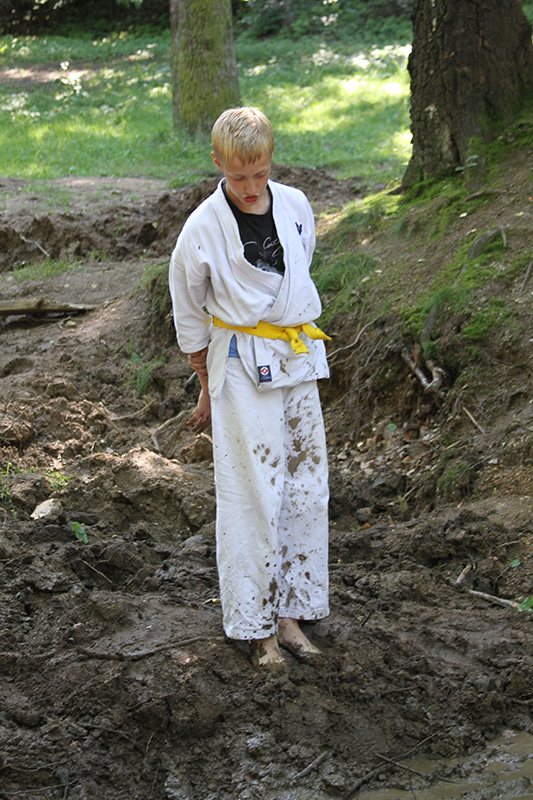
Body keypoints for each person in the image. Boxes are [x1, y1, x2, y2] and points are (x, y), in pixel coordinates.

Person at [169, 106, 330, 670]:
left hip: (296, 354)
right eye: (239, 176)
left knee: (306, 485)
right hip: (239, 361)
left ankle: (292, 613)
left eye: (260, 173)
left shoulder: (296, 205)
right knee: (252, 491)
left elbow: (300, 269)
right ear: (218, 162)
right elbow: (189, 311)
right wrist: (205, 382)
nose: (251, 187)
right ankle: (256, 625)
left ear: (271, 159)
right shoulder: (202, 229)